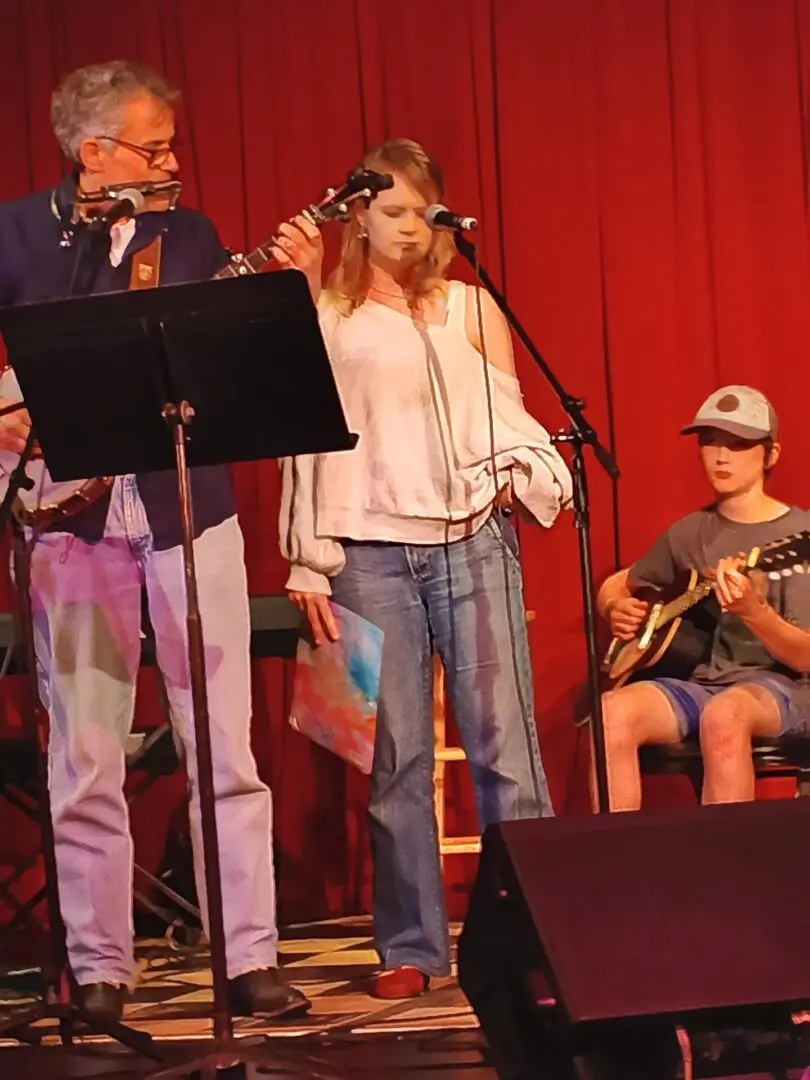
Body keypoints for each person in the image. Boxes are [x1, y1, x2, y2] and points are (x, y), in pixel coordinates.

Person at [0, 61, 308, 1022]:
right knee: (86, 751)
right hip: (68, 526)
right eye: (154, 145)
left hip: (187, 514)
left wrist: (274, 301)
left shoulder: (191, 234)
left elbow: (224, 366)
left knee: (222, 742)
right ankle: (99, 969)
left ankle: (246, 957)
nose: (174, 160)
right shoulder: (10, 234)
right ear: (93, 153)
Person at [274, 138, 573, 998]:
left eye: (419, 211)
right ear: (358, 217)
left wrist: (529, 471)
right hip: (367, 553)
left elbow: (509, 414)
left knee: (505, 751)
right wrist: (306, 561)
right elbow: (299, 436)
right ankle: (412, 945)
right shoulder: (328, 316)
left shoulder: (469, 306)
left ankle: (533, 940)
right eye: (390, 211)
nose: (407, 228)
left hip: (474, 541)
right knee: (395, 759)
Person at [596, 385, 810, 811]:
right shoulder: (689, 533)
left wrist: (755, 612)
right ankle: (615, 868)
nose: (721, 455)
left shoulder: (801, 538)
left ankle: (728, 873)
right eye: (710, 441)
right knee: (609, 714)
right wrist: (614, 608)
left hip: (788, 691)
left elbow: (805, 658)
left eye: (739, 444)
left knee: (724, 716)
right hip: (703, 686)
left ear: (771, 454)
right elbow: (618, 583)